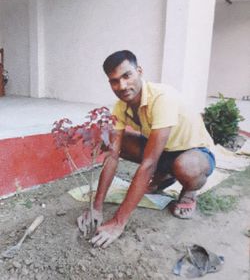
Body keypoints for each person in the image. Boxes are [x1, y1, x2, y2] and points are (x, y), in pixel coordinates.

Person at [77, 50, 216, 248]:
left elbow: (148, 163)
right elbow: (112, 157)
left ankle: (188, 191)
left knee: (186, 167)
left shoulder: (162, 98)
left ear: (139, 71)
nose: (122, 86)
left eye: (127, 76)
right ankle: (166, 175)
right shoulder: (120, 107)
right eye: (114, 81)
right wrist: (96, 207)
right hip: (164, 151)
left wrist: (118, 222)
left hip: (193, 152)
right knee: (113, 144)